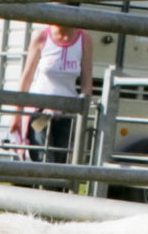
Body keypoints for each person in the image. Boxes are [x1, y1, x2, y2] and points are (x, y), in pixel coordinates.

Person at [13, 23, 93, 158]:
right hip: (40, 112)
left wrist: (83, 116)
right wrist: (16, 114)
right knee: (42, 155)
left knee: (62, 159)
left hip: (67, 112)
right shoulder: (41, 36)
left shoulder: (84, 39)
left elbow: (87, 80)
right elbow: (27, 76)